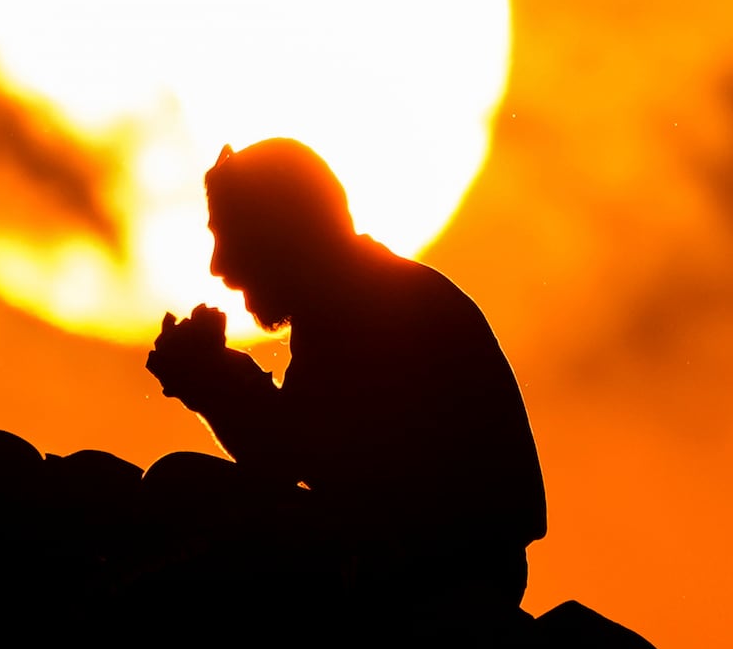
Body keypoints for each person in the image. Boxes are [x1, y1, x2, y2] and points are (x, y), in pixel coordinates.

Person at [145, 139, 546, 609]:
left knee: (181, 485)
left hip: (438, 567)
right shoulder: (358, 291)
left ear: (278, 232)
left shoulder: (365, 303)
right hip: (433, 553)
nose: (219, 266)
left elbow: (288, 458)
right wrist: (216, 378)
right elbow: (302, 447)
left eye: (230, 236)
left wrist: (213, 379)